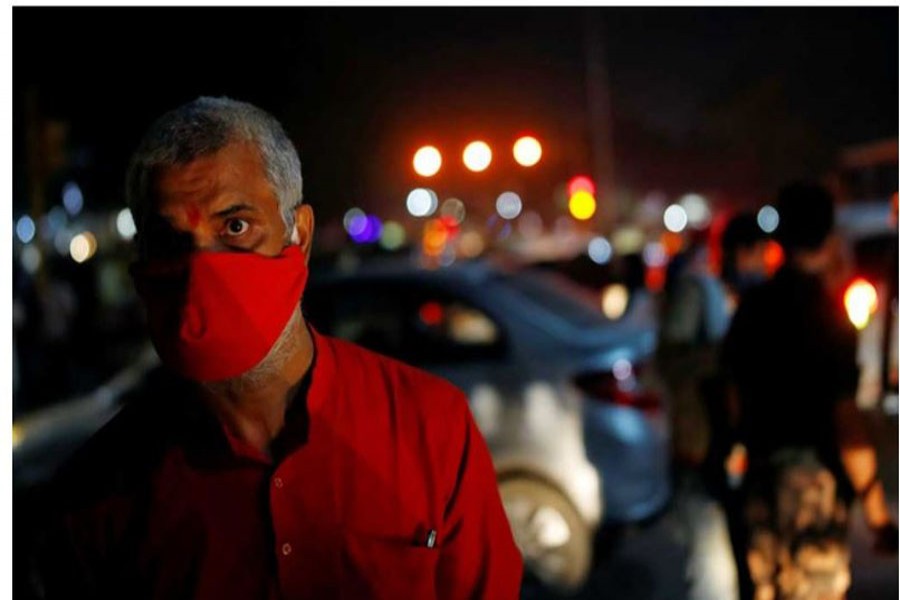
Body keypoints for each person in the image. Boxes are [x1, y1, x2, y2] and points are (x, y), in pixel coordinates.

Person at [33, 97, 523, 599]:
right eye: (170, 241)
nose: (203, 268)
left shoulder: (431, 427)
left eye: (236, 227)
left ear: (300, 235)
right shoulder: (96, 495)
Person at [722, 181, 897, 600]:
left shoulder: (752, 307)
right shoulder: (829, 316)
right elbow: (846, 422)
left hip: (760, 487)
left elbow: (732, 395)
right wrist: (876, 514)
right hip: (811, 496)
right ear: (830, 237)